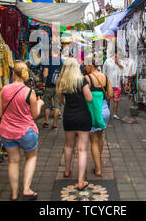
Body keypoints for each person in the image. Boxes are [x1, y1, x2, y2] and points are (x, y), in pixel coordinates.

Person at [0, 62, 44, 201]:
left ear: (13, 74)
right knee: (31, 157)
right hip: (26, 132)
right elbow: (34, 115)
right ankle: (27, 189)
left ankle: (14, 194)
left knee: (13, 161)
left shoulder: (4, 89)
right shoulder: (30, 92)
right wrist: (39, 104)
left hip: (7, 131)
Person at [56, 58, 93, 190]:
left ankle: (66, 171)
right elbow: (89, 98)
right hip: (83, 116)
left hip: (69, 116)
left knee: (69, 145)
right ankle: (81, 181)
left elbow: (61, 100)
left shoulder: (62, 81)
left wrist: (69, 105)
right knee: (82, 149)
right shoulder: (82, 80)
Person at [84, 60, 114, 177]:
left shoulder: (87, 78)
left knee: (93, 140)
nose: (84, 67)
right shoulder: (105, 78)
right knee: (100, 136)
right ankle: (98, 161)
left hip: (93, 112)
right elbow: (110, 94)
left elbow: (84, 96)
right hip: (105, 110)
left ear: (91, 65)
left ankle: (98, 168)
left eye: (86, 65)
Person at [42, 47, 63, 130]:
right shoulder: (60, 61)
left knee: (47, 105)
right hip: (58, 86)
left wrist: (44, 80)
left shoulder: (48, 60)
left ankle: (47, 122)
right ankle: (54, 125)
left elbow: (45, 74)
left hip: (49, 85)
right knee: (57, 106)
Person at [102, 51, 124, 120]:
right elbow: (104, 72)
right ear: (115, 54)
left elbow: (124, 71)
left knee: (116, 100)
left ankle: (115, 114)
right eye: (119, 54)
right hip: (109, 84)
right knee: (107, 100)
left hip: (117, 85)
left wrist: (118, 64)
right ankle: (107, 113)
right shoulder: (107, 61)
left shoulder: (121, 62)